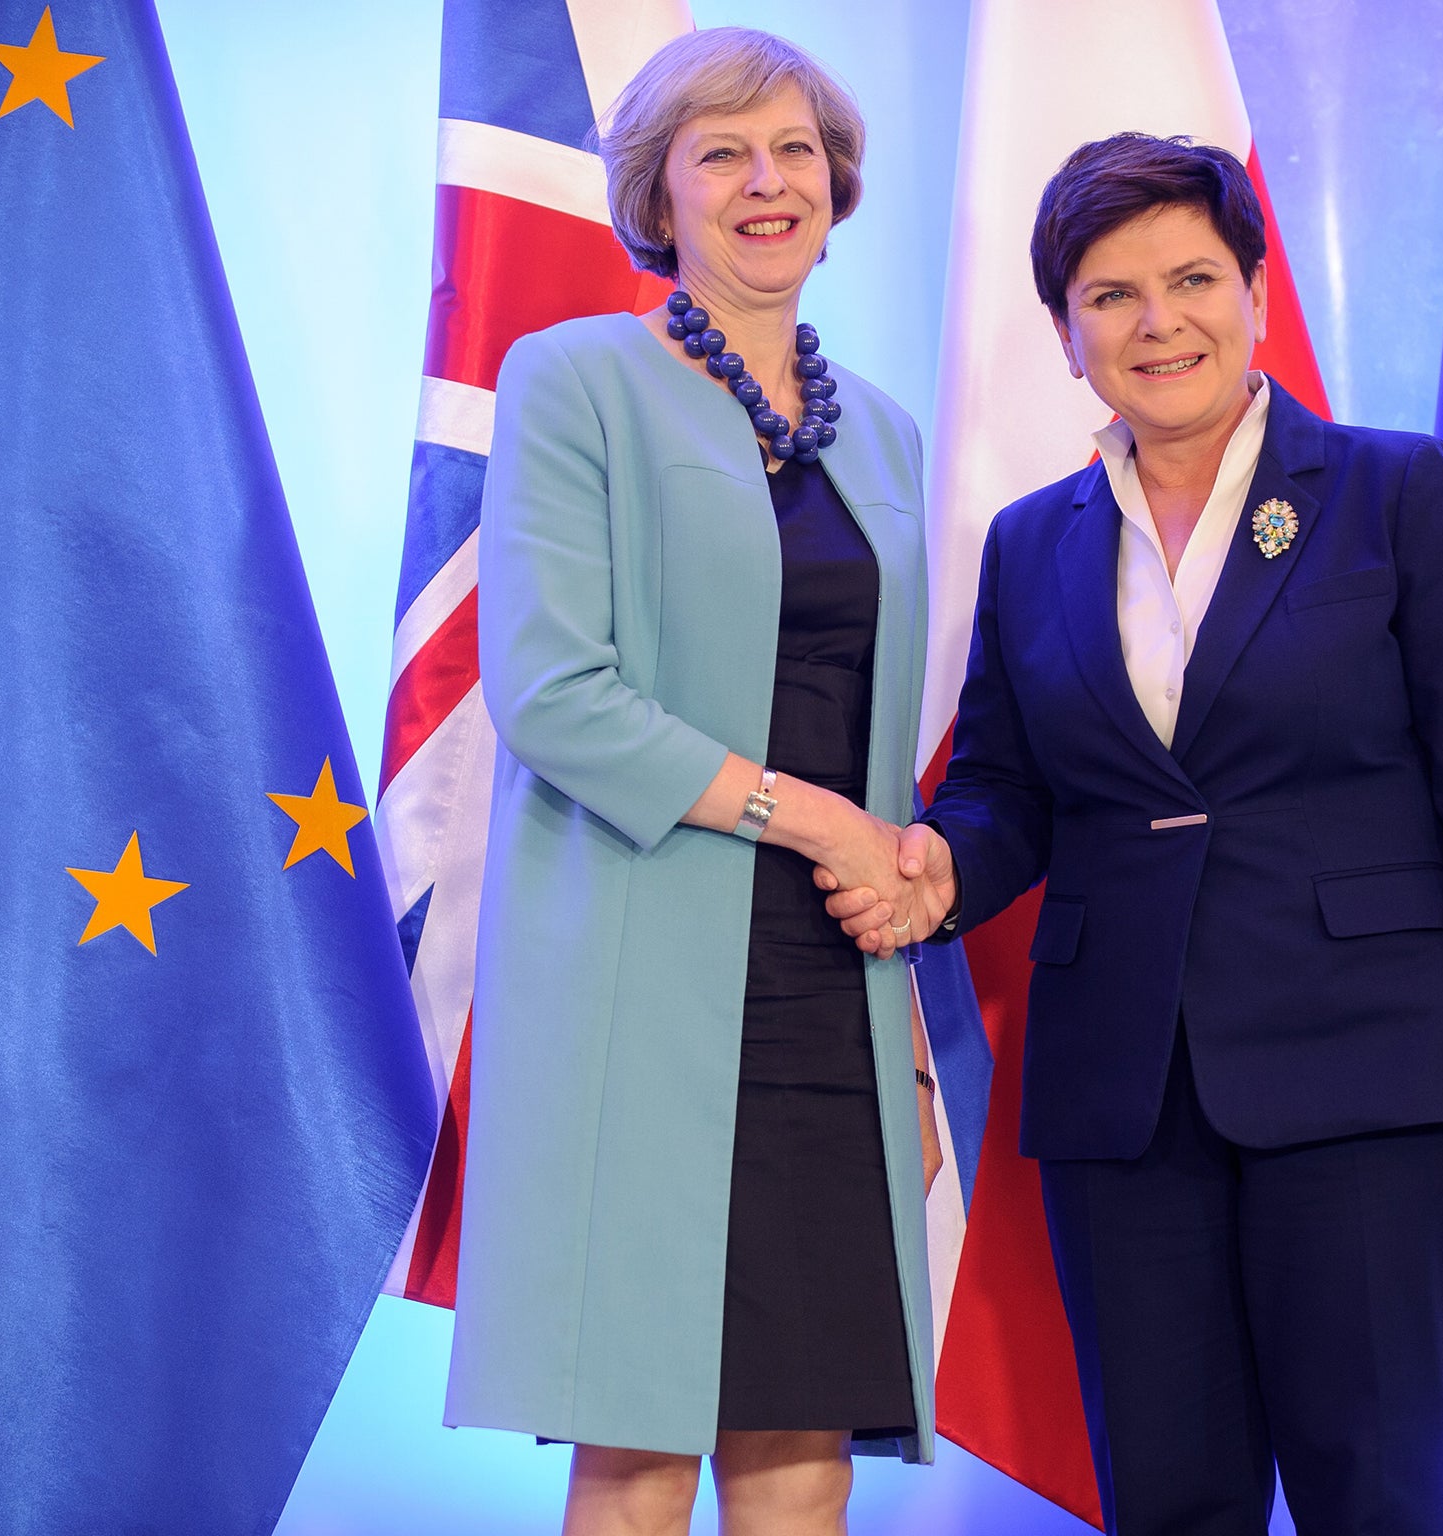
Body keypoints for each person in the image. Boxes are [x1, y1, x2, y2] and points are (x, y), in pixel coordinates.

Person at [825, 133, 1443, 1536]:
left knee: (1381, 1496)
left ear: (1256, 292)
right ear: (1065, 336)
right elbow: (1008, 789)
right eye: (1110, 295)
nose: (1156, 321)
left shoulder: (1399, 493)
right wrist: (939, 866)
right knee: (1169, 1501)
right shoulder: (1029, 542)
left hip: (1368, 1084)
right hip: (1124, 1097)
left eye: (1190, 279)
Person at [445, 29, 941, 1536]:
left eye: (793, 149)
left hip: (829, 985)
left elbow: (870, 735)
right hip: (641, 975)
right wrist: (819, 821)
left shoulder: (888, 434)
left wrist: (906, 1042)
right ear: (659, 193)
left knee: (805, 1435)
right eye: (721, 152)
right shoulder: (574, 377)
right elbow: (551, 691)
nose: (766, 181)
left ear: (837, 185)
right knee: (644, 1440)